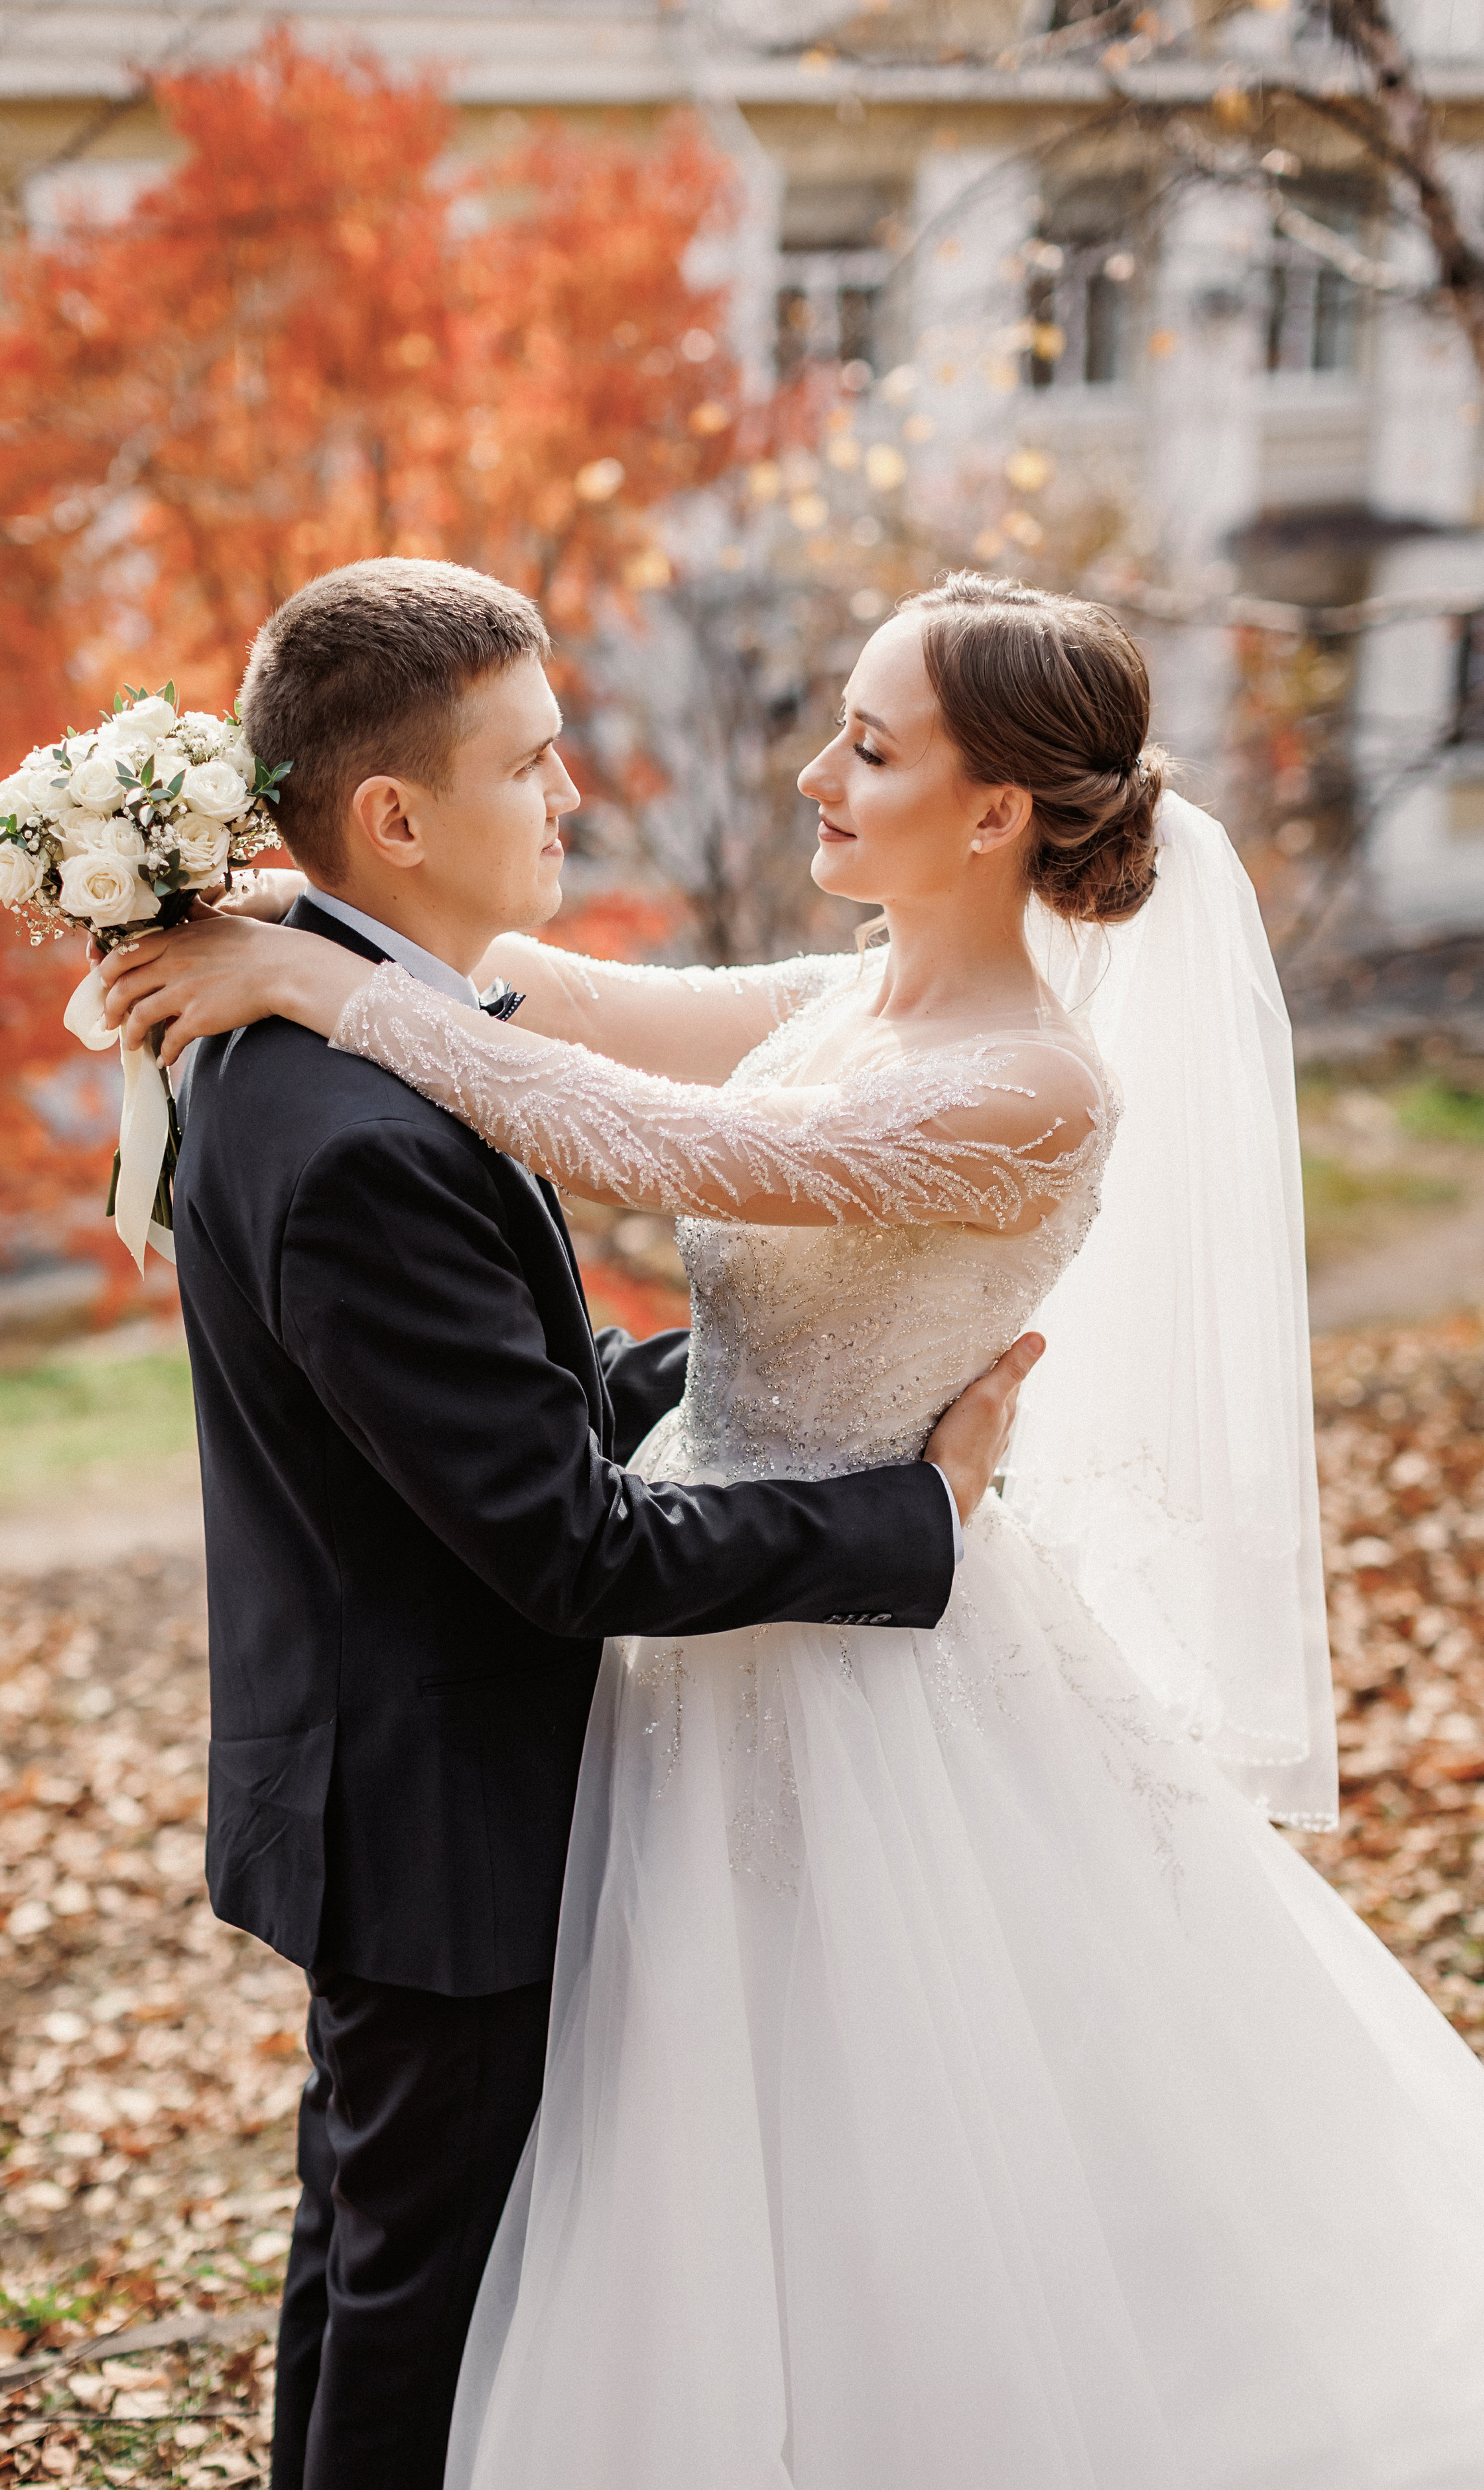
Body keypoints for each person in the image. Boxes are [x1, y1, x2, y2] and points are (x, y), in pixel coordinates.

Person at [106, 569, 1484, 2487]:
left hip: (870, 1665)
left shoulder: (1029, 1084)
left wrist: (335, 981)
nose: (814, 771)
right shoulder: (842, 998)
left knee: (885, 2152)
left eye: (870, 746)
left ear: (994, 813)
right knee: (601, 2190)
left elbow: (663, 1142)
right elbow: (557, 1000)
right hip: (696, 1651)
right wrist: (292, 911)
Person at [113, 558, 1031, 2490]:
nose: (571, 792)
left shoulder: (357, 1050)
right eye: (530, 759)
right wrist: (911, 1513)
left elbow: (515, 1398)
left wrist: (802, 1371)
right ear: (395, 819)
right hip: (438, 1814)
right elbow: (571, 1550)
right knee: (426, 2308)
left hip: (390, 1773)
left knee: (373, 2260)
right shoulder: (356, 1126)